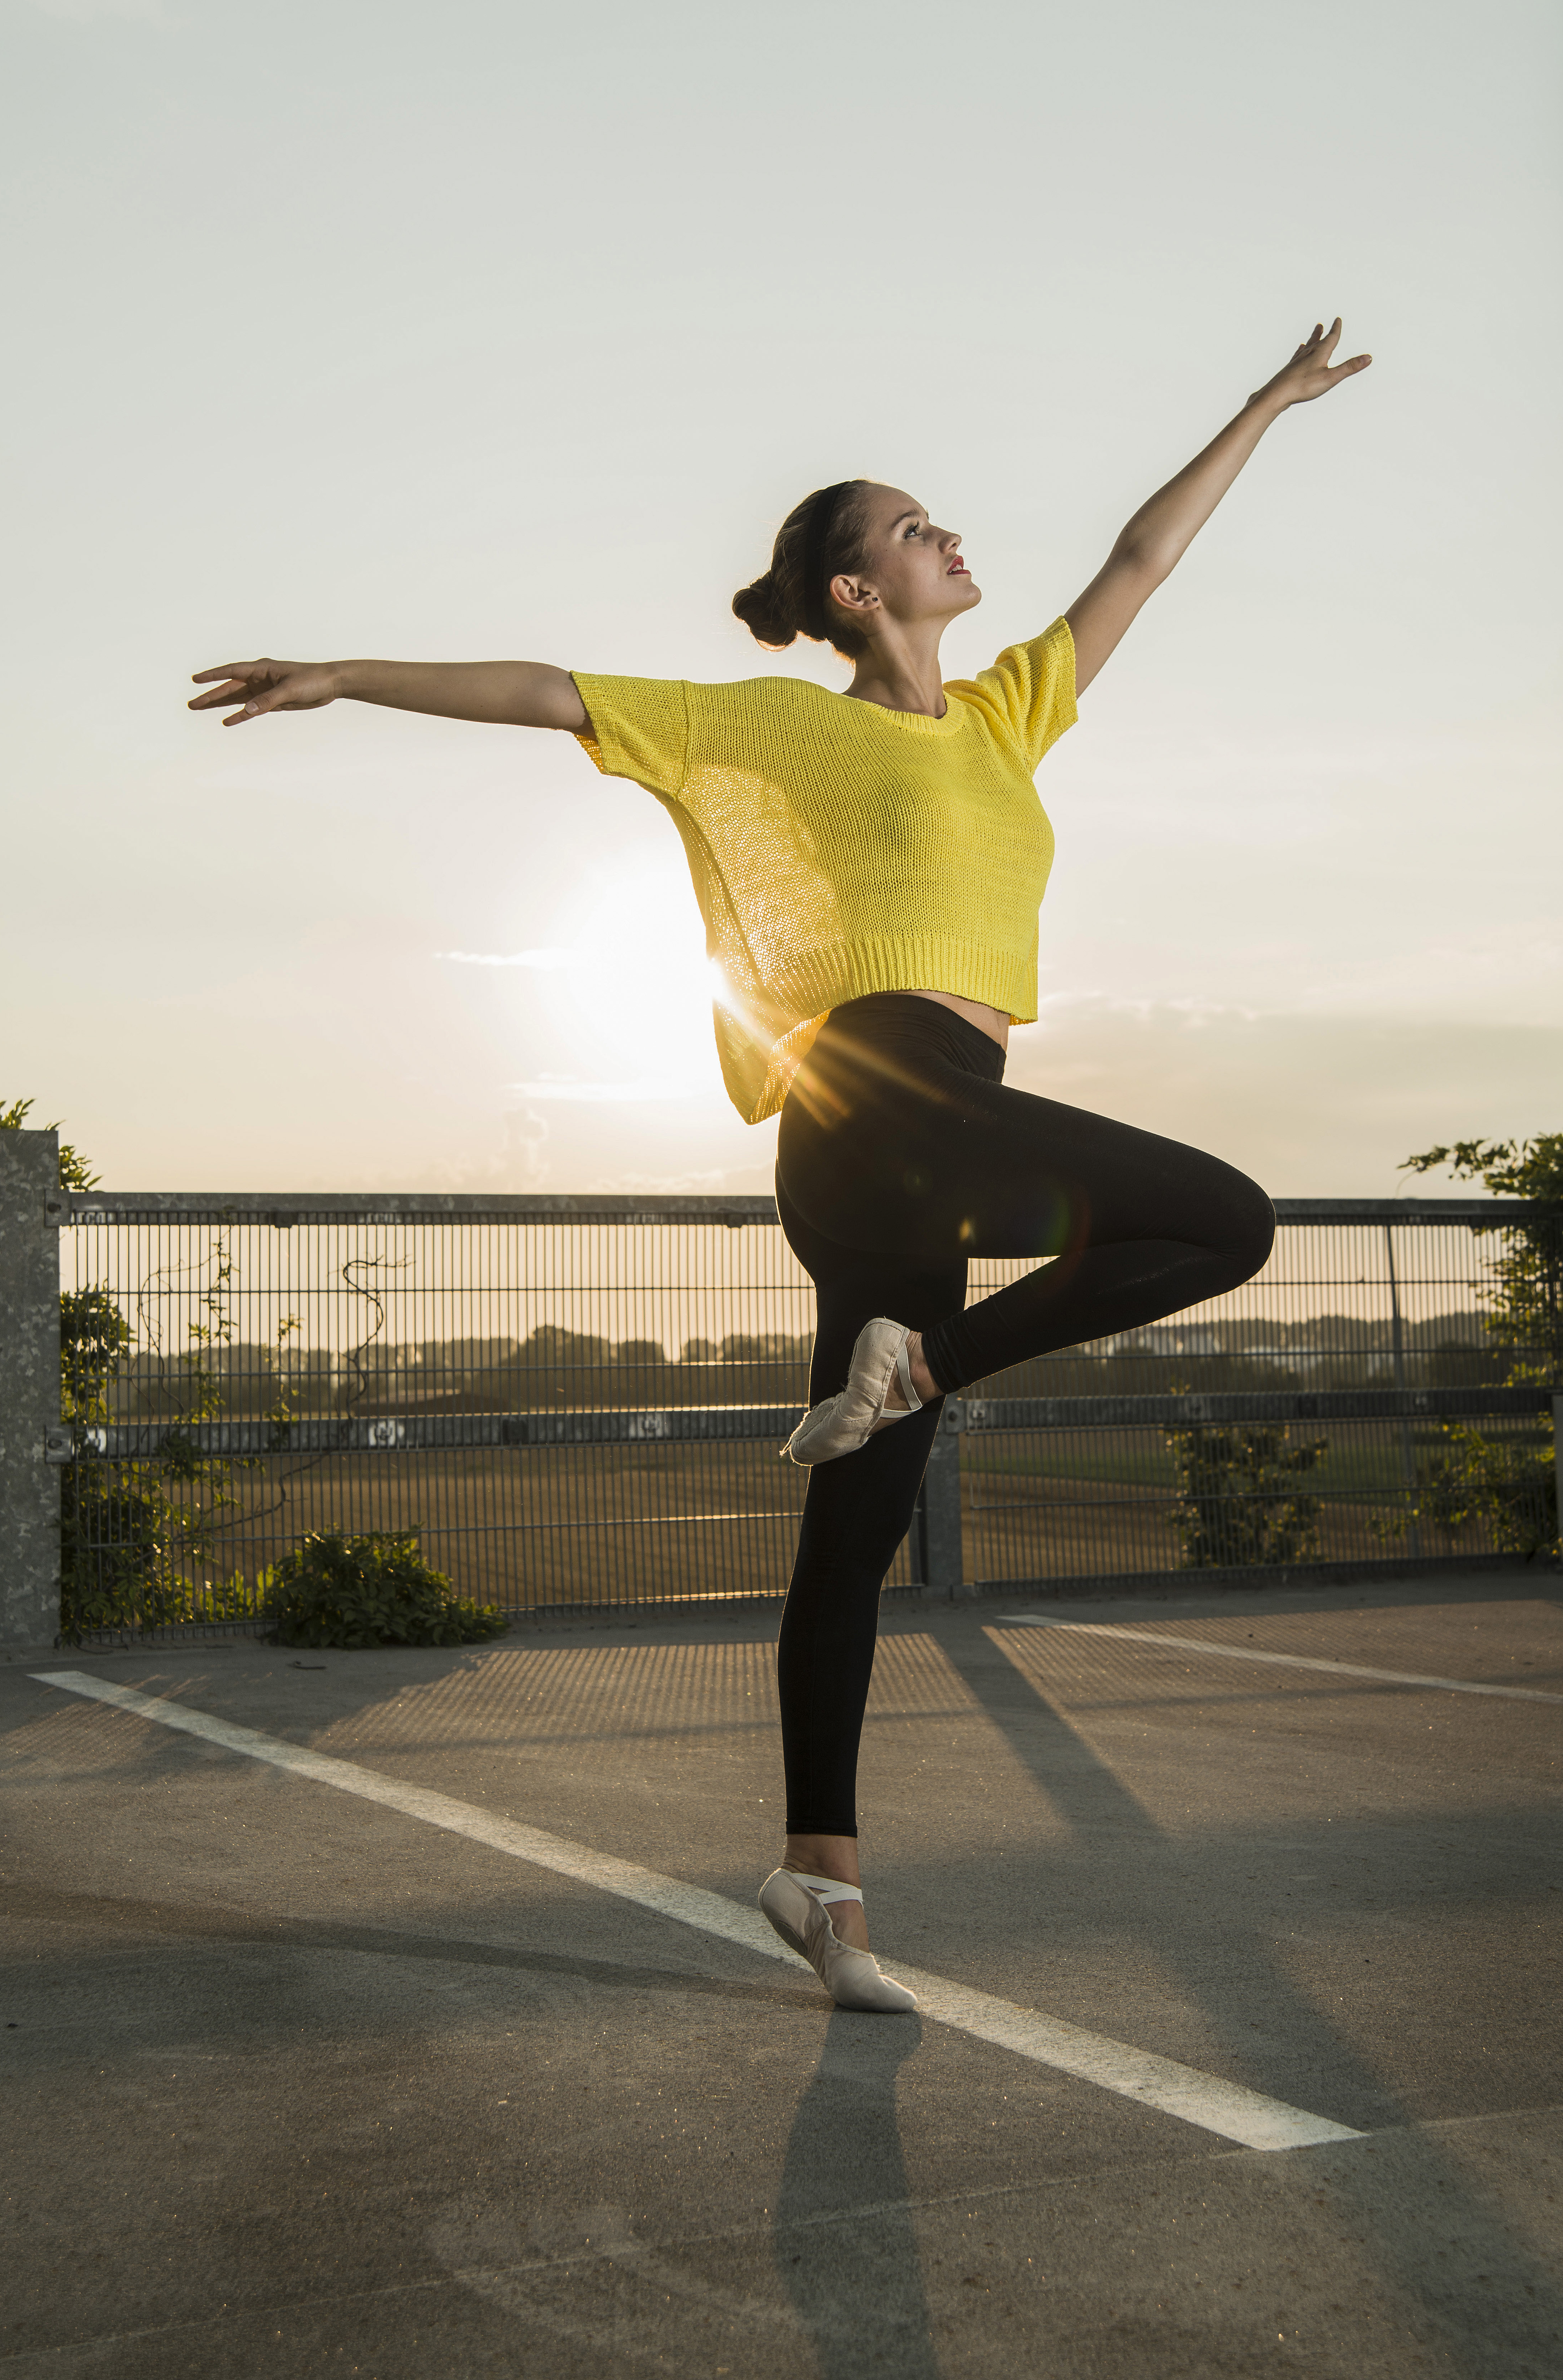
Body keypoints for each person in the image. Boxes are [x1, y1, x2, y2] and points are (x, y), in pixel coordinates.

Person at [191, 319, 1372, 2013]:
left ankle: (818, 1877)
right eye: (908, 528)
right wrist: (341, 674)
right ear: (846, 593)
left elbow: (1139, 558)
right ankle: (920, 1373)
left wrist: (1264, 405)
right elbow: (551, 692)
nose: (945, 536)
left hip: (934, 1121)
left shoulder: (1007, 715)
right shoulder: (760, 725)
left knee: (854, 1525)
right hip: (865, 1093)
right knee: (1227, 1216)